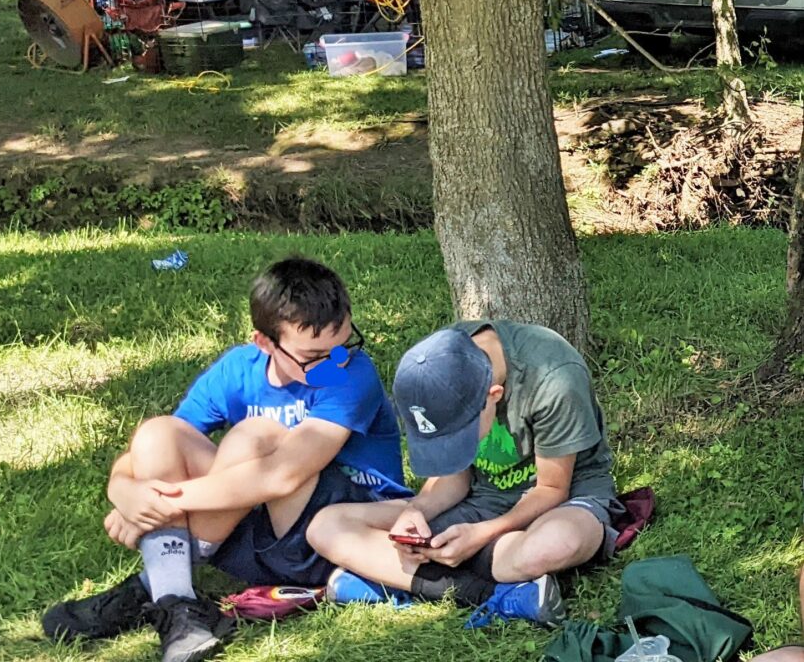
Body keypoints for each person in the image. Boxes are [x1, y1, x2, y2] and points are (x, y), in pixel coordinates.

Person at [42, 258, 408, 662]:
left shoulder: (350, 373)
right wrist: (125, 490)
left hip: (338, 531)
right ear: (264, 342)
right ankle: (177, 603)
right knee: (157, 432)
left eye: (343, 343)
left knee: (255, 435)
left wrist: (163, 502)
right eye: (314, 354)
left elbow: (284, 476)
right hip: (258, 534)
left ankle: (155, 583)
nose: (335, 360)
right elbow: (155, 451)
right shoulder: (239, 370)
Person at [307, 322, 623, 629]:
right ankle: (499, 593)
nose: (456, 447)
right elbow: (455, 476)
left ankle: (388, 576)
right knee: (325, 526)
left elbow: (552, 488)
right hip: (480, 501)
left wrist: (481, 535)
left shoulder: (553, 377)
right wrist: (418, 512)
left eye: (461, 437)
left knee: (554, 544)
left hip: (564, 499)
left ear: (494, 395)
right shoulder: (438, 364)